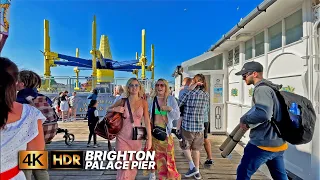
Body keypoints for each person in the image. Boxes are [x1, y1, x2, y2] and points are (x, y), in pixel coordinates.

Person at [235, 61, 288, 180]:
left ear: (254, 74)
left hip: (263, 143)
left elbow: (263, 114)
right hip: (278, 143)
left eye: (245, 75)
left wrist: (245, 119)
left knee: (243, 173)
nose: (243, 78)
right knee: (280, 177)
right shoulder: (271, 88)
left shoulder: (261, 89)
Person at [0, 57, 46, 180]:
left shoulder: (21, 98)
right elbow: (36, 150)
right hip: (13, 172)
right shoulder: (36, 101)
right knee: (37, 168)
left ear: (22, 83)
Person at [107, 77, 152, 180]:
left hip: (136, 138)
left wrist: (149, 140)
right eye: (131, 85)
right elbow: (108, 109)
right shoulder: (122, 101)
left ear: (140, 88)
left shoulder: (143, 103)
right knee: (123, 167)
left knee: (132, 167)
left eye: (136, 85)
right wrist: (115, 109)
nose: (134, 87)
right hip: (122, 137)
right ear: (128, 88)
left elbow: (147, 122)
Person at [15, 70, 51, 180]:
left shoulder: (18, 100)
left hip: (25, 141)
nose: (15, 83)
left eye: (17, 81)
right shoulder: (43, 98)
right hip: (39, 139)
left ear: (22, 84)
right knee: (40, 171)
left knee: (25, 174)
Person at [147, 79, 181, 180]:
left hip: (165, 133)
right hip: (153, 132)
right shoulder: (152, 99)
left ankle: (167, 176)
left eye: (162, 85)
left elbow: (177, 116)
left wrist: (169, 109)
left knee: (168, 157)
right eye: (157, 85)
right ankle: (152, 173)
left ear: (166, 87)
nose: (159, 87)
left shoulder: (171, 99)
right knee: (151, 155)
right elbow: (148, 115)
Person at [178, 74, 209, 179]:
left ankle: (192, 166)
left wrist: (188, 90)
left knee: (184, 146)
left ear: (194, 82)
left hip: (188, 126)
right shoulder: (206, 95)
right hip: (200, 127)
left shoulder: (189, 93)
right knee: (196, 150)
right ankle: (197, 173)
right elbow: (205, 110)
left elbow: (179, 104)